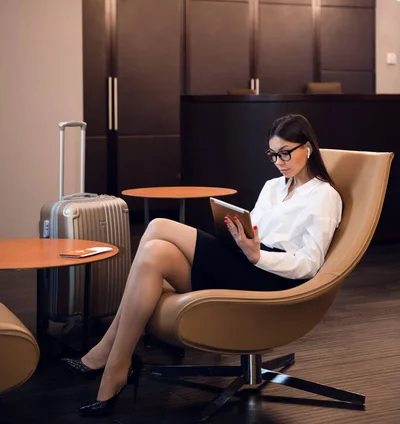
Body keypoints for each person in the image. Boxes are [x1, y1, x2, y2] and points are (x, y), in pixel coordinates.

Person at [63, 113, 342, 417]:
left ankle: (109, 357)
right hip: (246, 260)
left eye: (286, 152)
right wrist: (240, 237)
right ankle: (116, 366)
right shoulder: (273, 186)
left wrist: (258, 256)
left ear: (309, 148)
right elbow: (256, 229)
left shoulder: (324, 196)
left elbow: (310, 264)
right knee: (155, 252)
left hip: (272, 277)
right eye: (273, 154)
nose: (279, 161)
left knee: (157, 225)